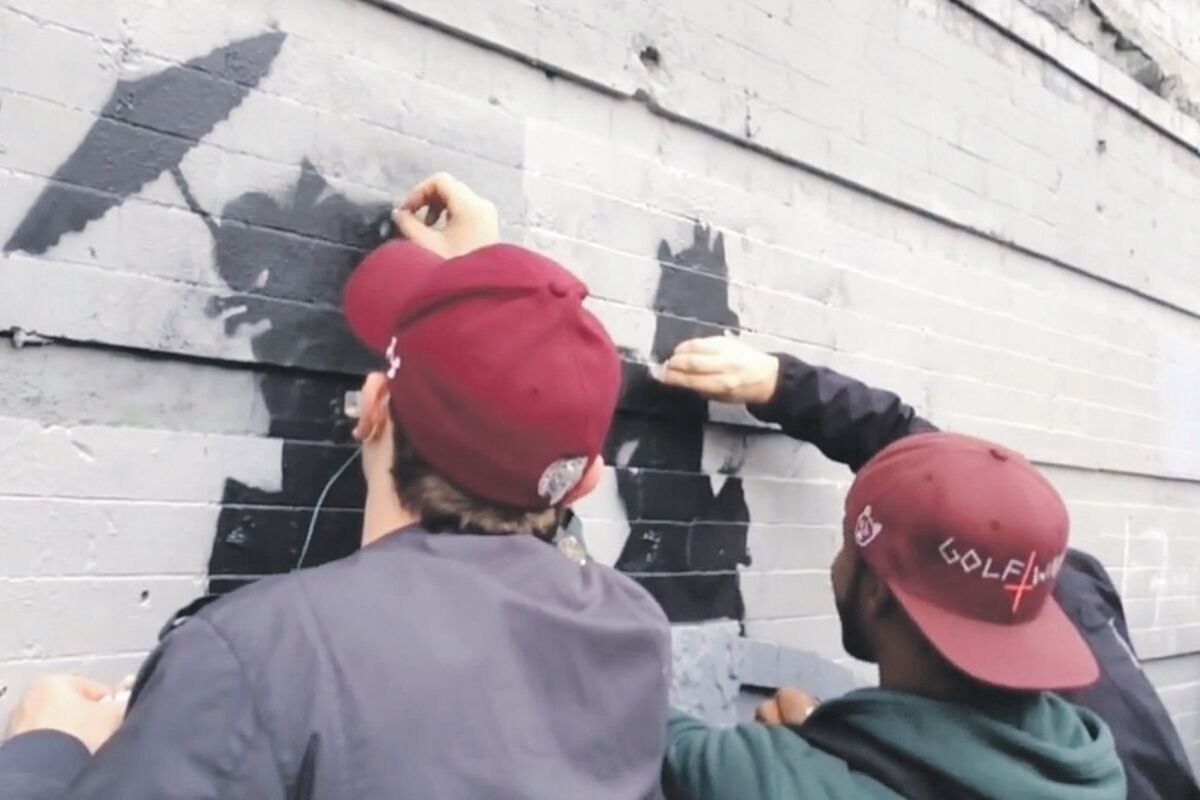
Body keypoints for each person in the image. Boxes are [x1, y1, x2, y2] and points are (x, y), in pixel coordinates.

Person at [0, 174, 671, 799]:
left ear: (373, 406)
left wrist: (43, 752)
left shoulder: (257, 658)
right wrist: (491, 296)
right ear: (584, 482)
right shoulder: (631, 631)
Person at [658, 336, 1198, 800]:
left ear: (875, 590)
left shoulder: (763, 779)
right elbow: (956, 496)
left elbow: (639, 727)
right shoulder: (1099, 735)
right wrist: (786, 386)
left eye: (846, 545)